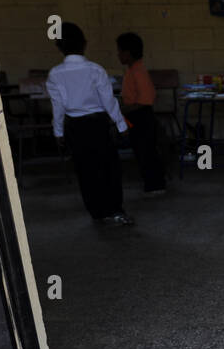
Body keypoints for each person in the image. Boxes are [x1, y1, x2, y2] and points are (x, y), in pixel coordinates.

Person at [45, 21, 133, 225]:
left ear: (59, 47)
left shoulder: (55, 74)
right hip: (98, 125)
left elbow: (57, 107)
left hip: (75, 127)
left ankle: (97, 213)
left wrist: (58, 133)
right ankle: (115, 211)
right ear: (84, 44)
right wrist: (121, 125)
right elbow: (109, 101)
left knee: (85, 170)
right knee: (108, 167)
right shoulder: (96, 70)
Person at [116, 31, 167, 197]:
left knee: (147, 152)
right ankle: (151, 184)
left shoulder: (138, 72)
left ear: (128, 53)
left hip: (141, 116)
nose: (118, 55)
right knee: (140, 150)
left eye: (120, 51)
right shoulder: (132, 70)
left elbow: (145, 100)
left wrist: (121, 111)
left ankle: (156, 185)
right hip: (134, 115)